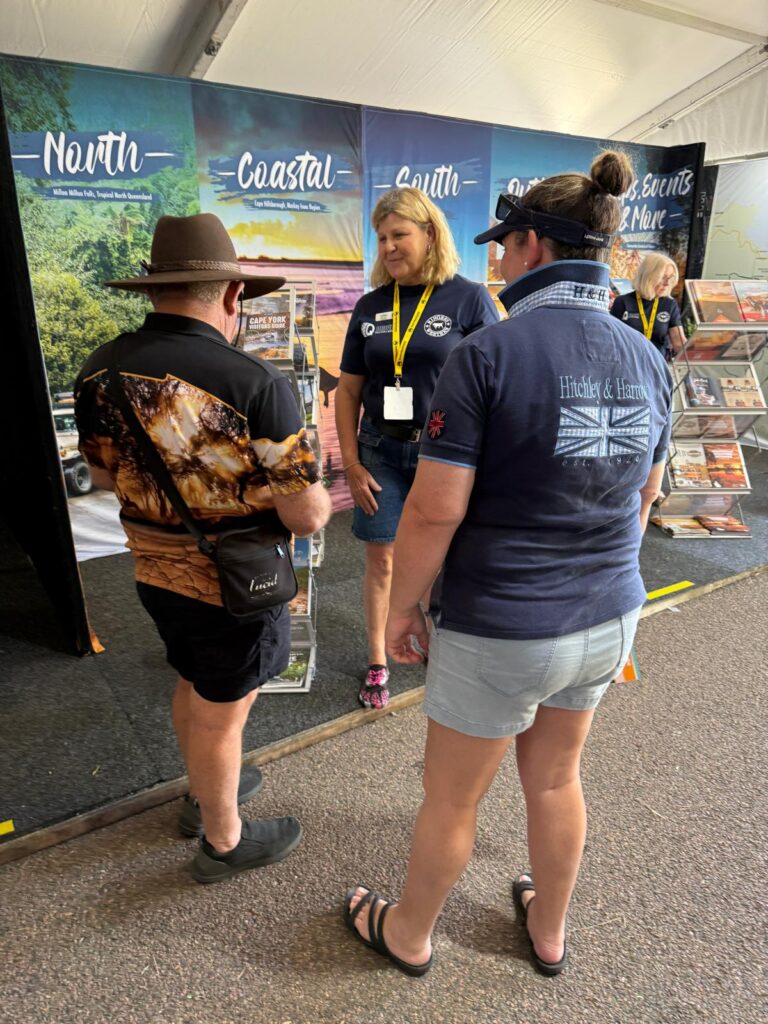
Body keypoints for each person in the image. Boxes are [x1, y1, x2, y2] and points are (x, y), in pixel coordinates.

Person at [343, 152, 672, 977]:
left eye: (503, 245)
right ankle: (550, 931)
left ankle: (409, 934)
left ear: (531, 246)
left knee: (452, 796)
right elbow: (644, 501)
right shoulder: (650, 358)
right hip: (607, 614)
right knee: (557, 782)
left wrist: (402, 609)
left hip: (502, 623)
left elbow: (434, 508)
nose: (493, 260)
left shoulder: (488, 353)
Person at [74, 213, 331, 883]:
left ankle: (201, 793)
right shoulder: (254, 384)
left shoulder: (99, 369)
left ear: (154, 290)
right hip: (233, 586)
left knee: (192, 678)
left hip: (152, 569)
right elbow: (305, 516)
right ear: (232, 295)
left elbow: (102, 476)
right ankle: (222, 840)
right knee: (225, 710)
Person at [335, 186, 499, 710]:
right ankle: (380, 659)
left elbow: (498, 382)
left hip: (443, 453)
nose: (388, 247)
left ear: (430, 234)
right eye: (381, 237)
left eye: (399, 235)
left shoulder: (468, 298)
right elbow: (348, 392)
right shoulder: (370, 306)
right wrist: (353, 464)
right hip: (381, 451)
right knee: (381, 560)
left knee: (438, 557)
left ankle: (437, 649)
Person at [610, 252, 686, 359]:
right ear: (648, 275)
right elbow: (611, 339)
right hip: (628, 364)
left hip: (657, 366)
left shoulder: (669, 304)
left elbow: (679, 342)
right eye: (663, 277)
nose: (667, 283)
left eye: (670, 278)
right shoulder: (622, 302)